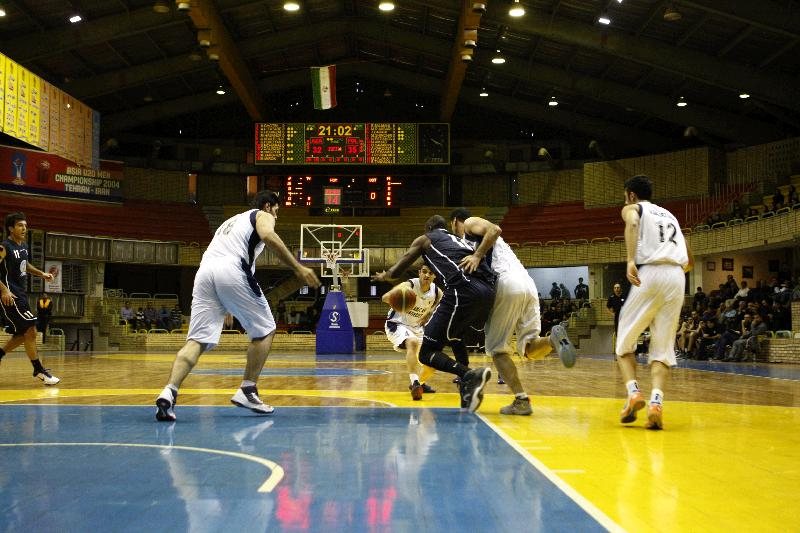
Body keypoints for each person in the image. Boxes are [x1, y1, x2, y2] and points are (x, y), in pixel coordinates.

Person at [155, 190, 320, 422]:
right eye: (277, 210)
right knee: (266, 329)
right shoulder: (262, 215)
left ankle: (169, 391)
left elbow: (224, 256)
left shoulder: (231, 221)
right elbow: (269, 236)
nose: (277, 216)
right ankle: (248, 389)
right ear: (268, 205)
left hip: (205, 272)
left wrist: (229, 303)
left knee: (197, 340)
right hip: (230, 269)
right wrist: (298, 267)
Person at [450, 209, 576, 415]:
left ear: (455, 221)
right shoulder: (484, 244)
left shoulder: (470, 224)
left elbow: (495, 229)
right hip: (528, 285)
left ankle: (521, 400)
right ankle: (553, 339)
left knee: (497, 351)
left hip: (506, 283)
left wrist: (477, 255)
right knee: (529, 348)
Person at [372, 215, 495, 413]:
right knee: (455, 337)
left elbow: (397, 270)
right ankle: (467, 387)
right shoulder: (458, 240)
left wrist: (384, 275)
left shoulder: (425, 239)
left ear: (427, 228)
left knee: (426, 353)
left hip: (463, 290)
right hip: (488, 293)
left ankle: (468, 375)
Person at [615, 175, 693, 430]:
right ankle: (656, 404)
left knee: (624, 344)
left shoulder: (634, 207)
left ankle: (633, 393)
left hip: (650, 272)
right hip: (677, 276)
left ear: (631, 195)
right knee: (663, 349)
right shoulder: (671, 216)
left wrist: (629, 260)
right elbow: (689, 258)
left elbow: (633, 221)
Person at [0, 212, 60, 385]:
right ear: (11, 228)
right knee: (31, 330)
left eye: (25, 225)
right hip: (9, 295)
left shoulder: (24, 246)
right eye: (20, 225)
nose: (24, 228)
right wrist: (3, 290)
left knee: (23, 333)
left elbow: (24, 265)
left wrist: (42, 274)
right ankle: (38, 370)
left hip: (21, 293)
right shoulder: (4, 247)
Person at [383, 264, 442, 400]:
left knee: (432, 362)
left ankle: (420, 384)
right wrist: (400, 298)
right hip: (397, 324)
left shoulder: (437, 292)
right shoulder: (408, 285)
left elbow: (438, 307)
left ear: (434, 275)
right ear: (419, 273)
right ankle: (414, 382)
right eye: (424, 272)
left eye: (430, 273)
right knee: (412, 342)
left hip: (417, 328)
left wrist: (427, 315)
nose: (426, 275)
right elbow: (385, 297)